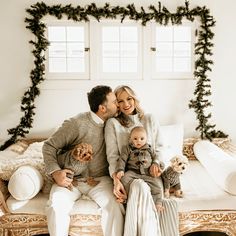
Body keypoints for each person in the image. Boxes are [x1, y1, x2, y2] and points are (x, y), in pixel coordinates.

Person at [42, 85, 124, 236]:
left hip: (101, 180)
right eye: (114, 102)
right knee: (56, 206)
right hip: (71, 180)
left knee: (115, 206)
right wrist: (55, 172)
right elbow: (49, 146)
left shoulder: (114, 123)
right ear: (102, 108)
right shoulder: (76, 123)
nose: (118, 104)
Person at [105, 85, 179, 236]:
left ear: (135, 98)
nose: (126, 104)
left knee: (149, 188)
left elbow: (159, 148)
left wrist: (157, 163)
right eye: (120, 101)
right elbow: (112, 156)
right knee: (140, 187)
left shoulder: (149, 119)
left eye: (129, 98)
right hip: (130, 175)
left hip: (150, 174)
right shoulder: (113, 123)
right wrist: (116, 180)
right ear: (116, 104)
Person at [116, 126, 165, 211]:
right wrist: (120, 170)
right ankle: (125, 197)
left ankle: (158, 203)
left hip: (147, 173)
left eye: (142, 138)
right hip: (132, 171)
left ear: (146, 139)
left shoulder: (149, 148)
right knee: (124, 180)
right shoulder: (127, 148)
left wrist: (157, 164)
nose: (138, 141)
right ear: (130, 139)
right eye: (135, 138)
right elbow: (122, 160)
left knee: (157, 187)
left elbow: (156, 157)